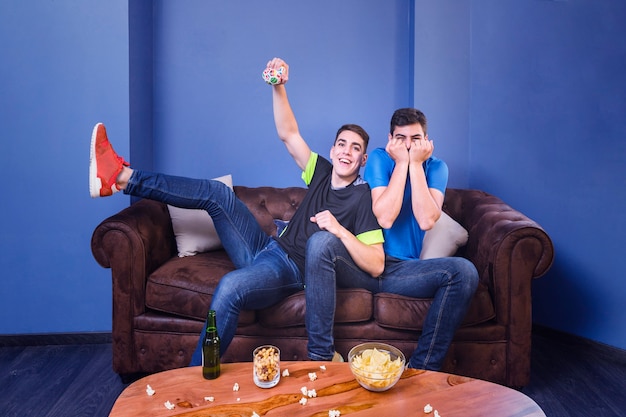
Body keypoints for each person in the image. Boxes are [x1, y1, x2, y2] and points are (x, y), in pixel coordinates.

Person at [88, 57, 385, 364]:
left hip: (289, 269)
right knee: (218, 193)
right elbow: (288, 134)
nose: (346, 151)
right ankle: (121, 178)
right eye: (341, 144)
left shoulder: (363, 197)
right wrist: (278, 87)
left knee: (230, 286)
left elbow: (375, 261)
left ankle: (195, 377)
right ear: (333, 149)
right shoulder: (320, 170)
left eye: (355, 148)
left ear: (363, 160)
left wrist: (339, 230)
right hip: (266, 247)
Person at [363, 108, 479, 370]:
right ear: (390, 139)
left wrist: (414, 165)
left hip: (405, 271)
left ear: (427, 141)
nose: (407, 145)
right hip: (371, 262)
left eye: (415, 139)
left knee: (465, 272)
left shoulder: (437, 167)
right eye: (400, 138)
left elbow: (427, 220)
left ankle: (423, 370)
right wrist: (403, 163)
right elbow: (385, 218)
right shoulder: (380, 159)